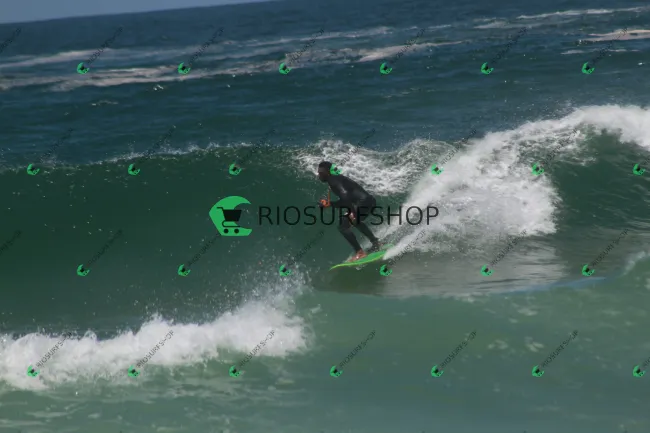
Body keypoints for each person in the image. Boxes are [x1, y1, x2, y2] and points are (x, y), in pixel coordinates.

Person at [317, 161, 382, 261]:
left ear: (328, 172)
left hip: (363, 203)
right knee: (355, 222)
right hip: (369, 201)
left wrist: (352, 212)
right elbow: (347, 198)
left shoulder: (332, 180)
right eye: (318, 172)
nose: (319, 175)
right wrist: (331, 204)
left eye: (321, 172)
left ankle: (360, 253)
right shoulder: (337, 178)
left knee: (343, 226)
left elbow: (345, 197)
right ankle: (376, 243)